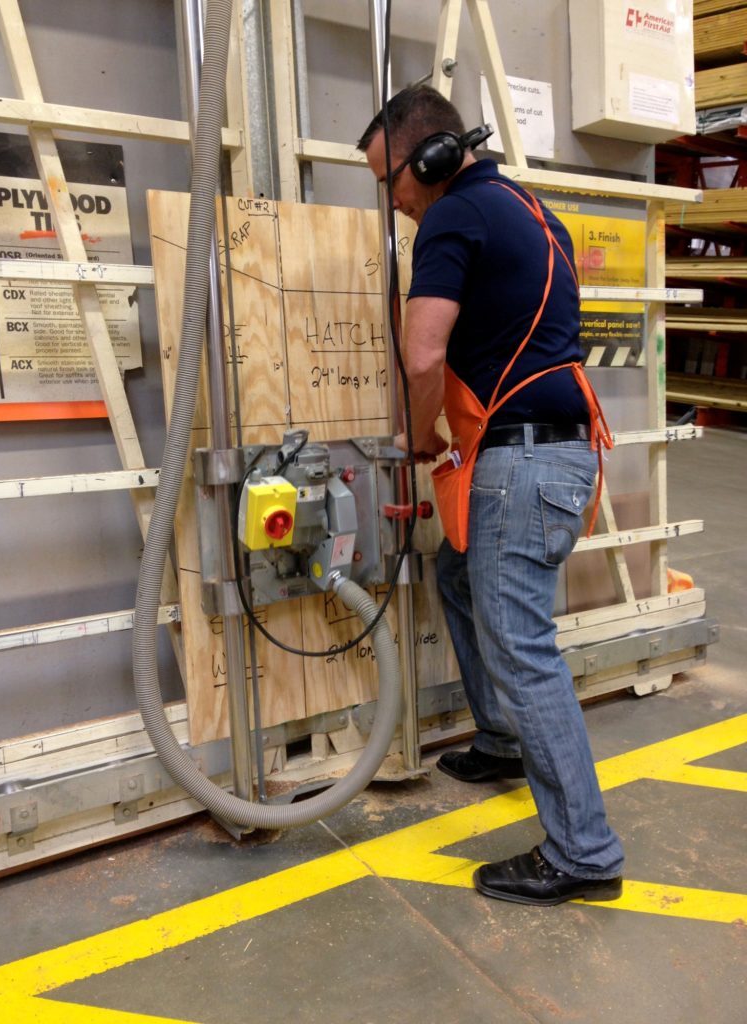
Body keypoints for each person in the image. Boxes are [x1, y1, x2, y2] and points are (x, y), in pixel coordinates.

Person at [357, 85, 624, 906]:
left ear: (431, 159)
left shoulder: (453, 217)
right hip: (555, 456)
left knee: (523, 648)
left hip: (524, 463)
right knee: (457, 576)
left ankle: (583, 852)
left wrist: (416, 438)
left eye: (391, 179)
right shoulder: (527, 209)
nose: (393, 199)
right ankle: (504, 737)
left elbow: (424, 352)